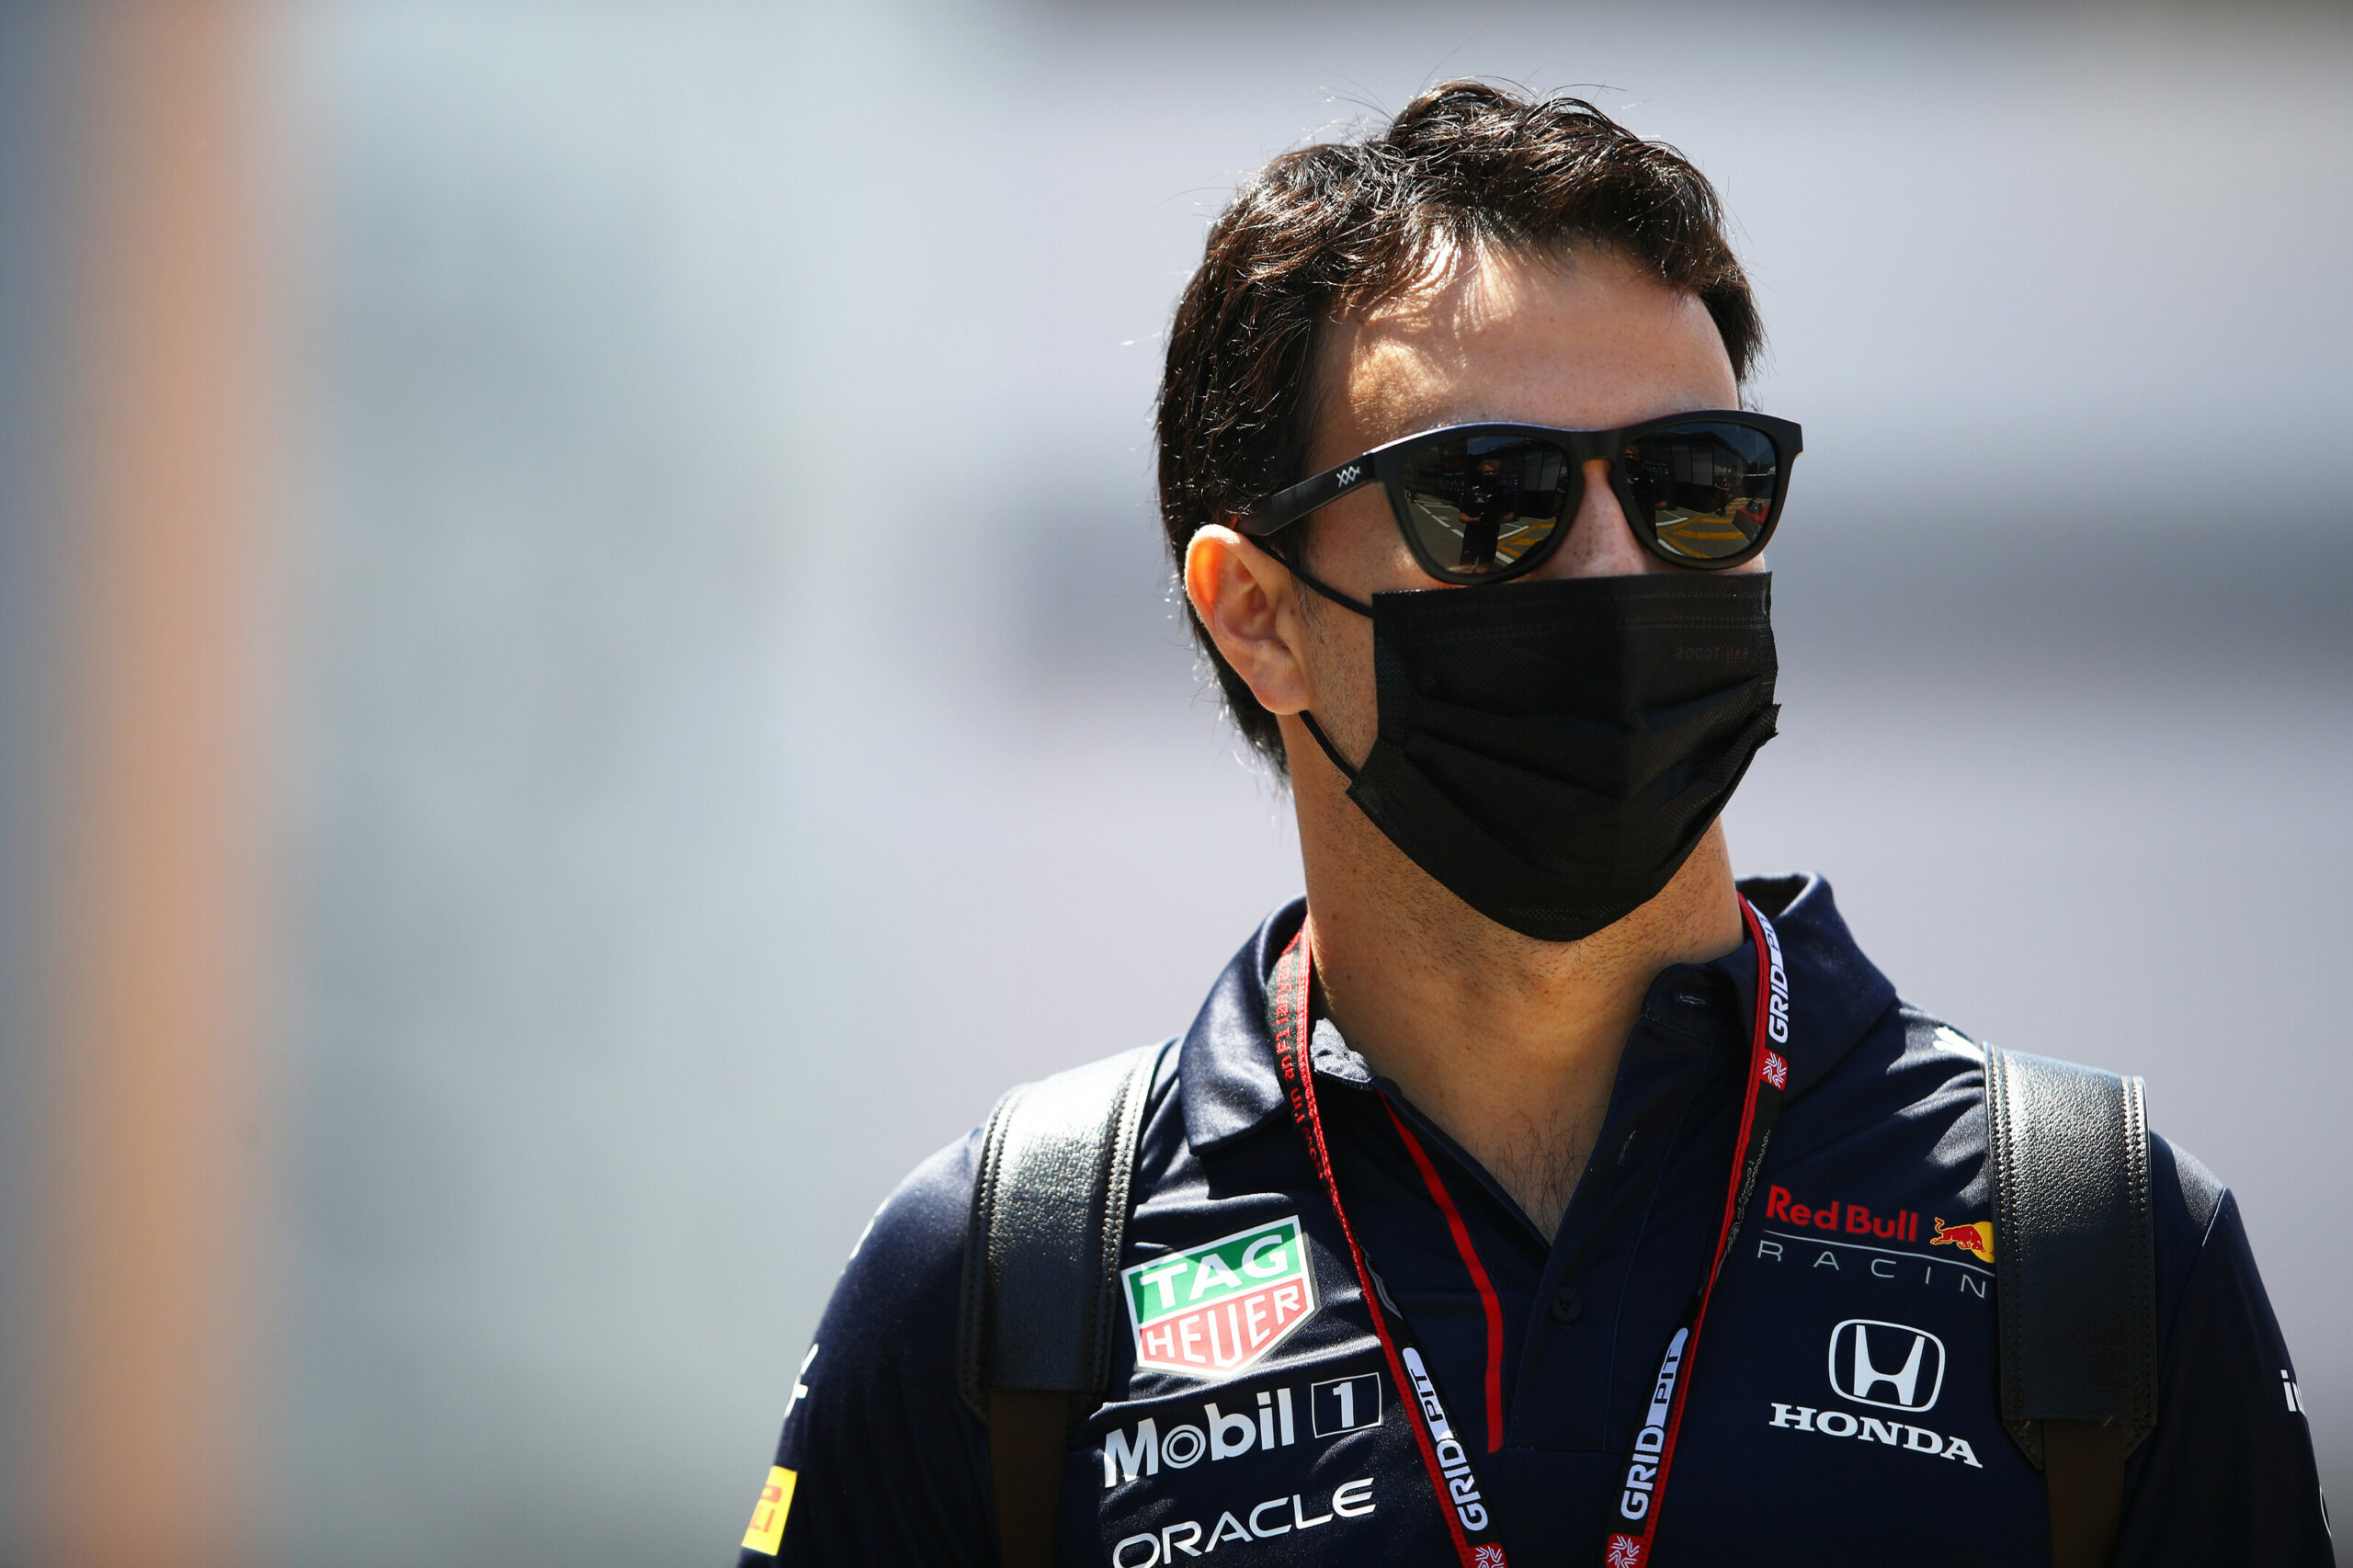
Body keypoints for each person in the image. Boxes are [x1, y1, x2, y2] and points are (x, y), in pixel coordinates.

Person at [733, 82, 2332, 1566]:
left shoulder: (2102, 1244)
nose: (1619, 566)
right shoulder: (1003, 1282)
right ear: (1259, 614)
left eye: (1695, 480)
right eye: (1493, 495)